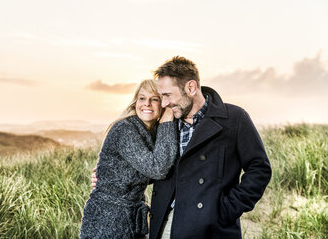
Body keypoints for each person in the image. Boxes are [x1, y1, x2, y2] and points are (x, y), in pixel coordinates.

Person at [148, 56, 272, 238]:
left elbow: (259, 169)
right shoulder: (165, 122)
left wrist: (226, 210)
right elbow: (151, 165)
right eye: (162, 96)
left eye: (168, 95)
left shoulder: (234, 119)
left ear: (191, 88)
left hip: (211, 228)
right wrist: (109, 176)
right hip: (165, 224)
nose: (164, 103)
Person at [80, 79, 178, 239]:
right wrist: (168, 119)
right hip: (107, 220)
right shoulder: (125, 129)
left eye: (154, 99)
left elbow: (150, 171)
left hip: (131, 218)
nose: (147, 103)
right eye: (142, 98)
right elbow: (158, 169)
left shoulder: (151, 132)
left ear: (162, 103)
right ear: (135, 103)